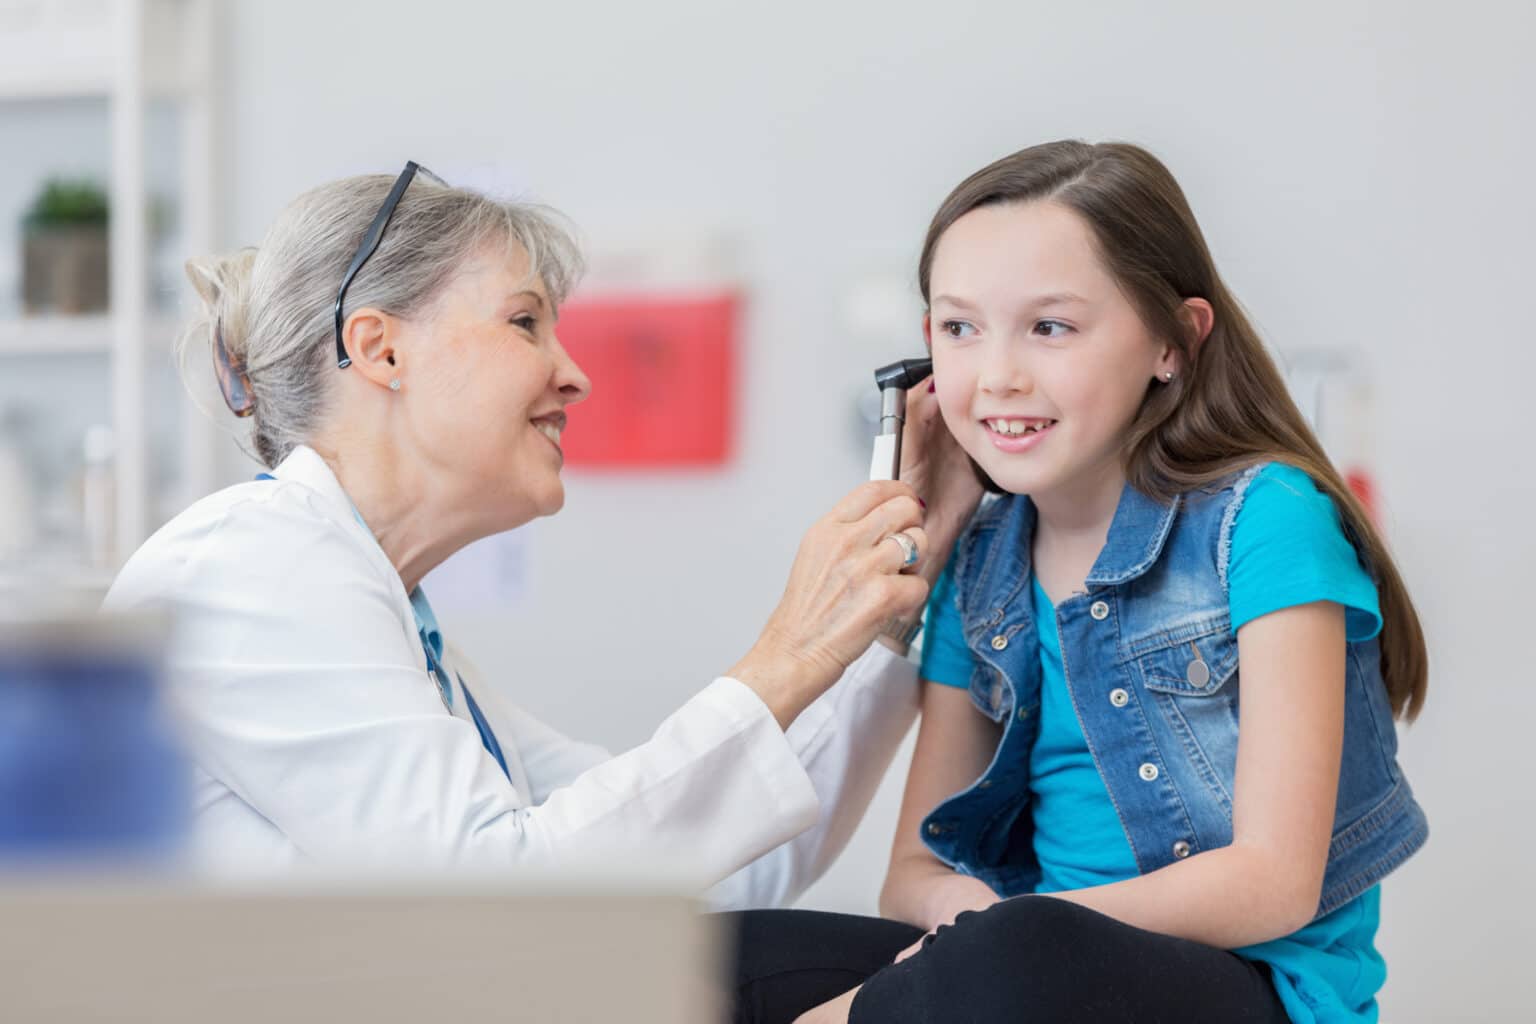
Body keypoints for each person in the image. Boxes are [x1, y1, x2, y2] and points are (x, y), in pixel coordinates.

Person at [103, 162, 980, 909]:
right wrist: (790, 647)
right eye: (525, 322)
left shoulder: (398, 629)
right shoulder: (247, 569)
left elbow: (715, 871)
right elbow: (496, 897)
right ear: (379, 350)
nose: (576, 375)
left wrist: (889, 606)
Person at [732, 140, 1429, 1023]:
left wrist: (995, 934)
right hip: (1023, 962)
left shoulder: (1265, 519)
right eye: (960, 328)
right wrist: (963, 925)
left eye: (1050, 327)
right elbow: (910, 877)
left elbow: (1273, 884)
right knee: (730, 953)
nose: (998, 376)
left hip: (1251, 987)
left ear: (1174, 343)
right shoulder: (982, 560)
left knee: (1018, 953)